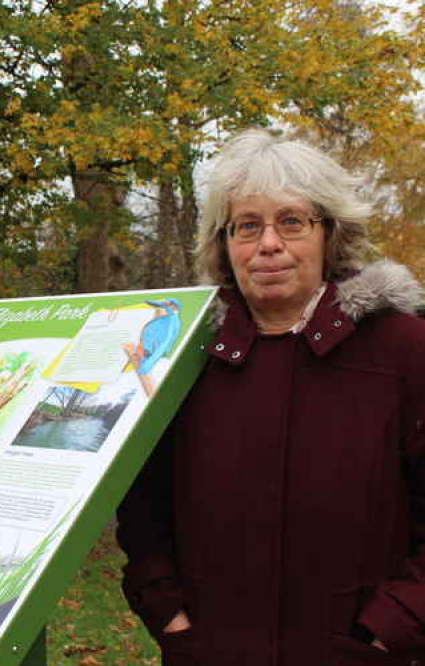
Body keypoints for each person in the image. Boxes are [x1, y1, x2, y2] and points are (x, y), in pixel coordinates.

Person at [116, 129, 425, 665]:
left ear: (331, 234)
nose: (269, 244)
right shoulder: (183, 358)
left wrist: (389, 626)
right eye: (247, 226)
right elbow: (143, 507)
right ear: (223, 244)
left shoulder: (404, 351)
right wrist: (169, 612)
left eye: (291, 221)